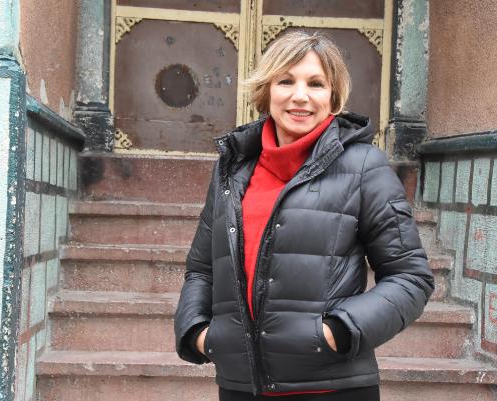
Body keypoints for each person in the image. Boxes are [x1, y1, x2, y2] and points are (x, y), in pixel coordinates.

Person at [174, 31, 434, 401]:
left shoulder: (364, 167)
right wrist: (198, 333)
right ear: (267, 90)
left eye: (315, 83)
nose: (300, 96)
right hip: (241, 387)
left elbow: (410, 277)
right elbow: (202, 269)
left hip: (332, 387)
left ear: (333, 96)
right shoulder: (233, 169)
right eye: (286, 81)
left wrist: (337, 332)